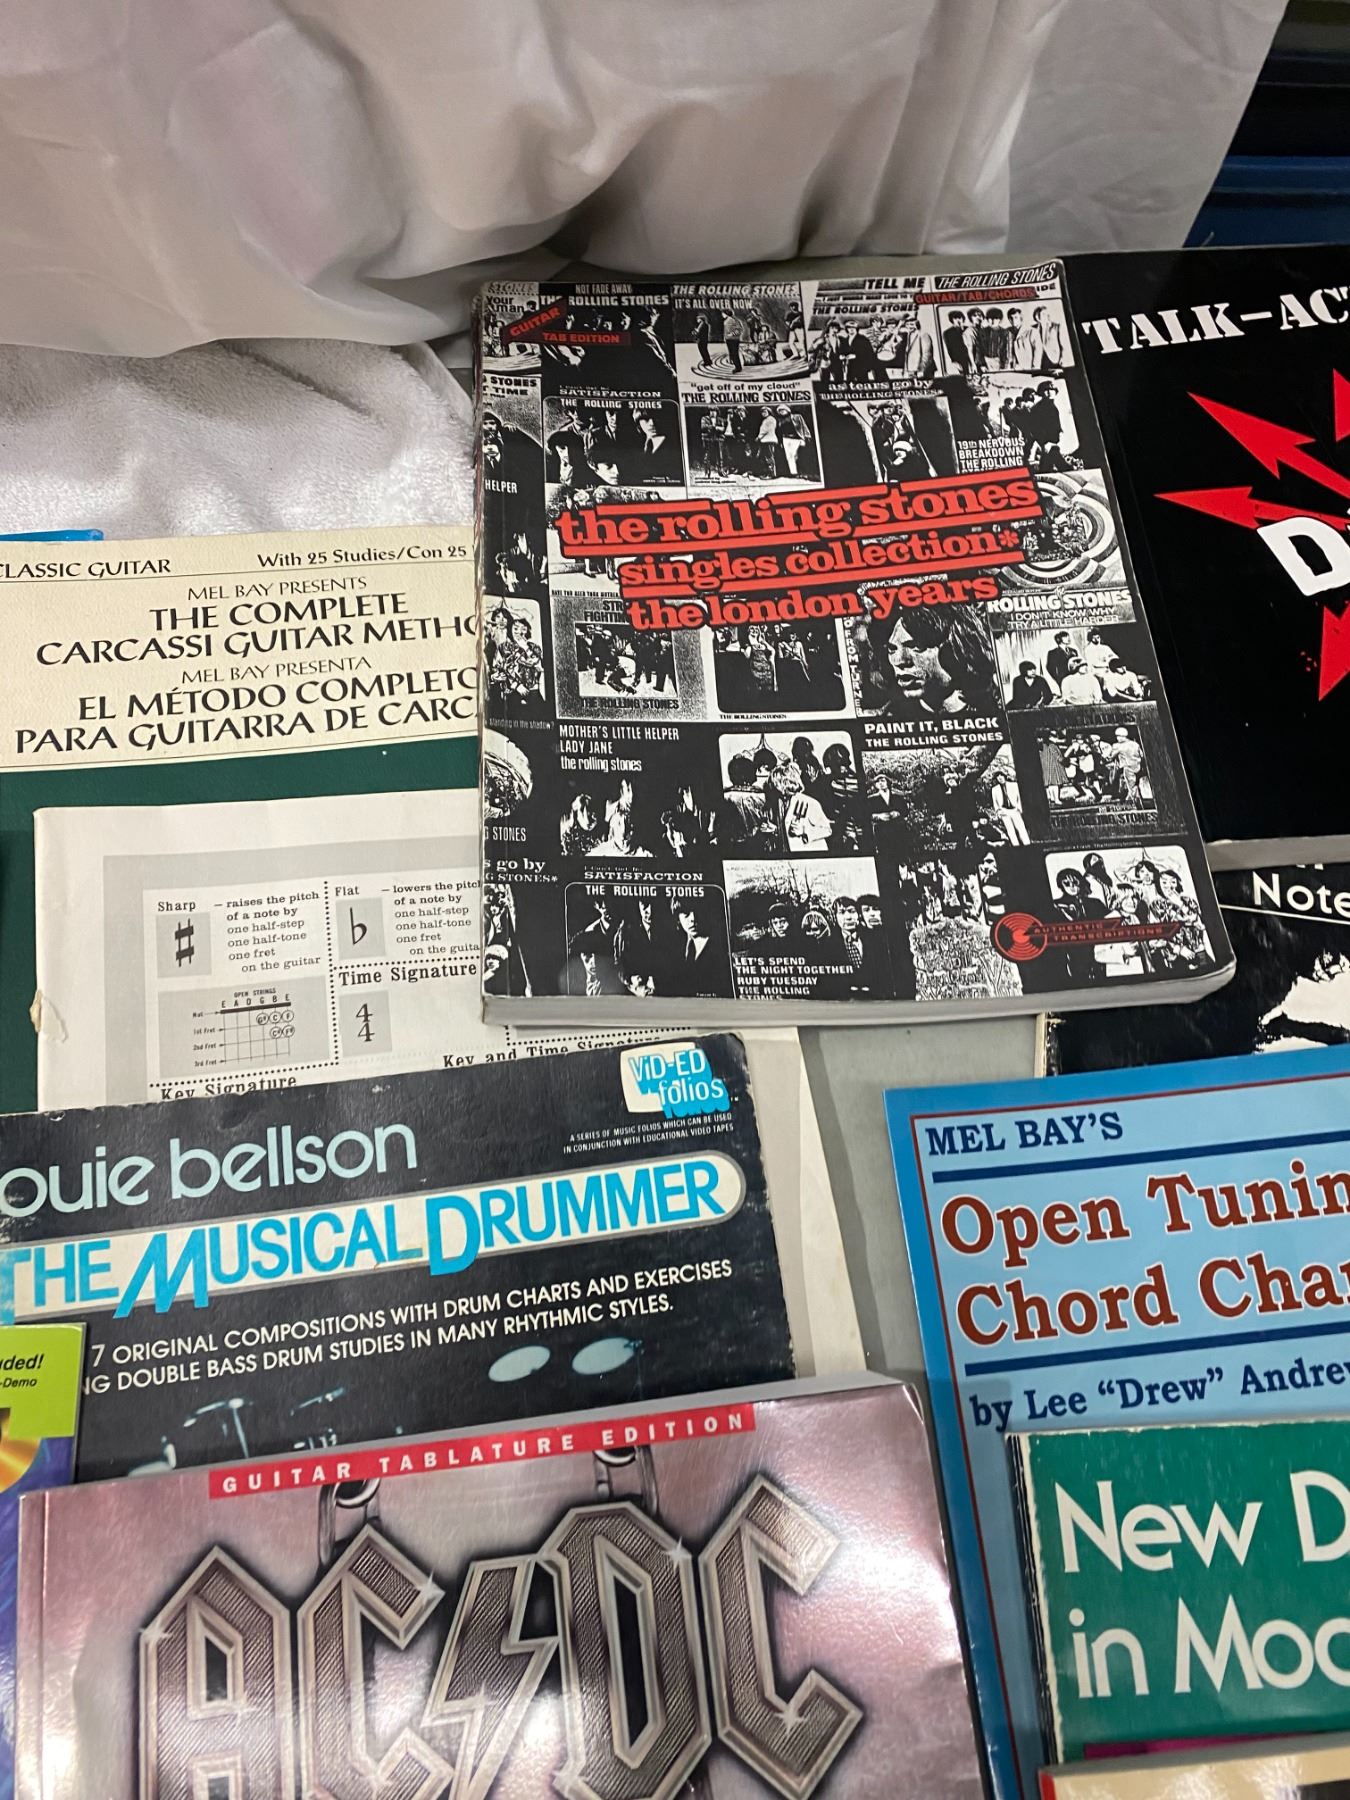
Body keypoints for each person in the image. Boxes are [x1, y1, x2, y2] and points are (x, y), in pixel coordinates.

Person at [671, 895, 731, 995]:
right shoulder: (677, 946)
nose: (693, 918)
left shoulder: (719, 947)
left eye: (697, 911)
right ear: (677, 917)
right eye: (686, 913)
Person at [942, 309, 969, 373]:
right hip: (959, 359)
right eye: (955, 318)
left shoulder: (968, 329)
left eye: (960, 318)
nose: (958, 320)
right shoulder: (948, 332)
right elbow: (949, 347)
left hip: (971, 356)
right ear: (952, 320)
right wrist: (954, 361)